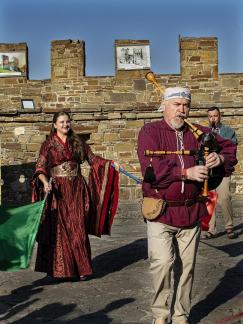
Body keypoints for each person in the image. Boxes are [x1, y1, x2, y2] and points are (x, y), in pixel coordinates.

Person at [137, 87, 237, 324]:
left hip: (191, 210)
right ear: (164, 105)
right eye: (177, 104)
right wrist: (186, 172)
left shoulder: (199, 133)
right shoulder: (149, 131)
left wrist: (219, 158)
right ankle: (160, 316)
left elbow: (230, 148)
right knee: (161, 264)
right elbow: (151, 169)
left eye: (186, 105)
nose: (182, 110)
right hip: (160, 210)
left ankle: (181, 316)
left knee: (188, 268)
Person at [32, 111, 120, 281]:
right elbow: (40, 168)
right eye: (62, 122)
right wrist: (45, 182)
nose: (65, 124)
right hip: (57, 190)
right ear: (54, 125)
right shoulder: (48, 144)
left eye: (67, 121)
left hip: (77, 189)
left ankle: (82, 268)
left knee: (78, 227)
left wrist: (110, 164)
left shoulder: (78, 142)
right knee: (60, 230)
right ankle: (60, 270)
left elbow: (93, 159)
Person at [205, 106, 238, 239]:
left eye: (215, 116)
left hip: (223, 171)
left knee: (224, 198)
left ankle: (229, 227)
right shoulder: (205, 131)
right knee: (209, 199)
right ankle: (211, 229)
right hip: (209, 172)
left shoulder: (228, 131)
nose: (213, 118)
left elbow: (231, 147)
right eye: (210, 116)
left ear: (220, 116)